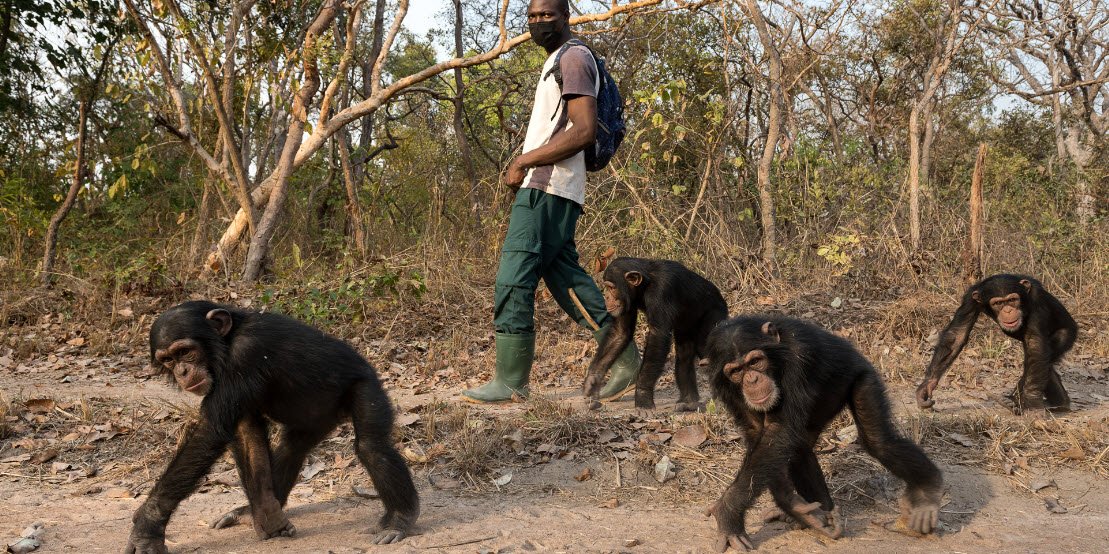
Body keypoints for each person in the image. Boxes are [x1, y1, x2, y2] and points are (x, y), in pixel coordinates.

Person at [462, 0, 639, 403]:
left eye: (547, 15)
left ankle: (510, 381)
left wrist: (523, 161)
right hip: (558, 189)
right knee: (568, 281)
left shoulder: (574, 57)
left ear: (565, 17)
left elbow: (584, 130)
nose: (539, 22)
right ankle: (626, 360)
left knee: (513, 276)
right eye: (533, 17)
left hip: (546, 188)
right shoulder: (561, 59)